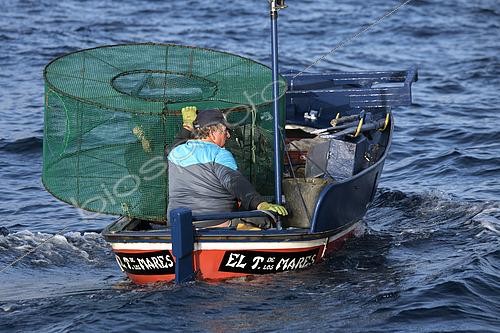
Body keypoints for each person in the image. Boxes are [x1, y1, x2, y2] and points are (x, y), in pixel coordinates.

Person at [167, 106, 287, 228]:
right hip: (217, 223)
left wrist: (187, 126)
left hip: (178, 225)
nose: (228, 135)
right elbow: (235, 182)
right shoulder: (219, 154)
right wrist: (259, 204)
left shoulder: (175, 153)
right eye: (224, 130)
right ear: (212, 132)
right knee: (268, 220)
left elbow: (176, 144)